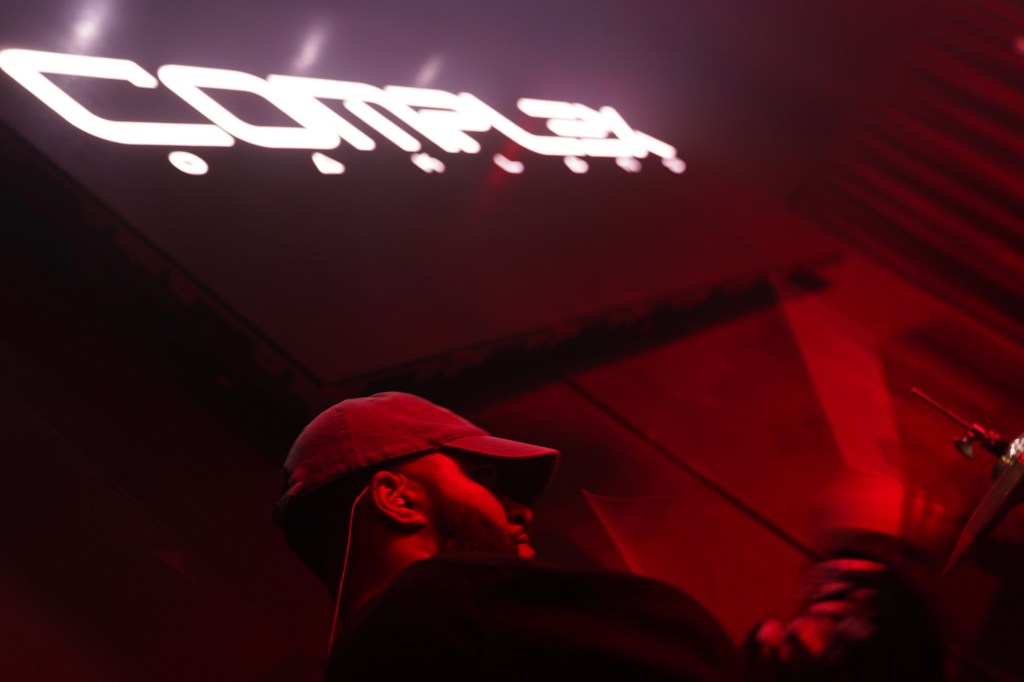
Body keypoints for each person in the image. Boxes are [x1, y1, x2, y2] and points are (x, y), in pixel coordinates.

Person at [274, 392, 944, 681]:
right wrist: (867, 560)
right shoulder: (442, 606)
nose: (522, 511)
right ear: (395, 497)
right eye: (484, 478)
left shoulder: (373, 664)